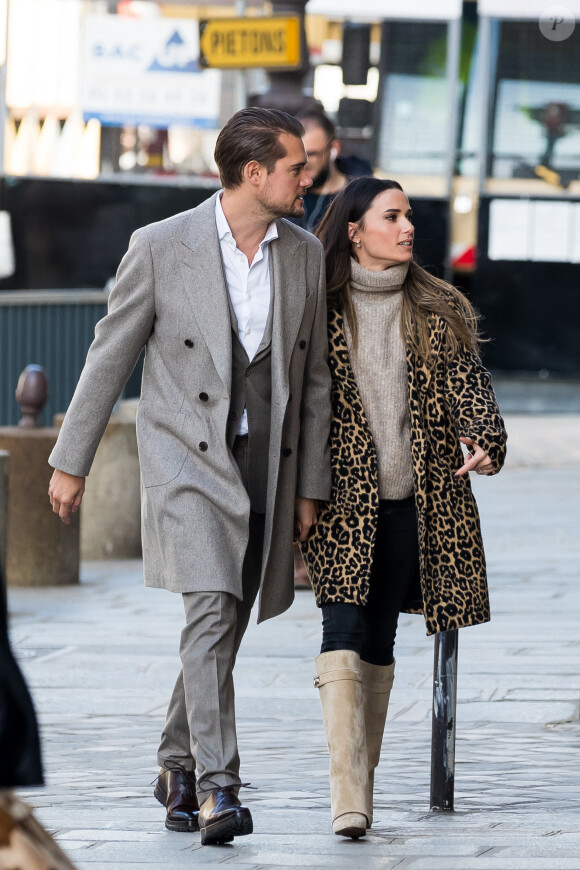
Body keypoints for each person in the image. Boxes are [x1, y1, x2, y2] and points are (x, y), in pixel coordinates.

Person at [47, 108, 331, 846]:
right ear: (253, 173)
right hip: (185, 461)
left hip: (263, 465)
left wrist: (310, 486)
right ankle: (217, 787)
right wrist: (70, 460)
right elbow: (109, 355)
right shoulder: (159, 245)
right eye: (297, 166)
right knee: (211, 611)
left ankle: (173, 765)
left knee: (226, 622)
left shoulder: (303, 252)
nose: (310, 177)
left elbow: (315, 382)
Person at [301, 177, 507, 839]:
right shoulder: (316, 308)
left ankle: (359, 787)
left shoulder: (437, 304)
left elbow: (472, 389)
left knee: (381, 644)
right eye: (392, 216)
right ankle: (348, 800)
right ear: (355, 229)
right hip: (339, 504)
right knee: (341, 635)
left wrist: (483, 436)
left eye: (410, 216)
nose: (408, 226)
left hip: (415, 505)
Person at [290, 111, 372, 233]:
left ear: (334, 149)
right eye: (296, 155)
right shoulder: (284, 196)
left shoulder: (364, 196)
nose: (303, 162)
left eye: (311, 154)